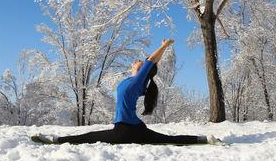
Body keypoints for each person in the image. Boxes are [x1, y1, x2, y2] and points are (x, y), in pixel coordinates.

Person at [31, 39, 221, 146]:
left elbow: (151, 61)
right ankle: (203, 139)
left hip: (125, 131)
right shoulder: (132, 81)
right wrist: (137, 69)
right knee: (167, 140)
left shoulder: (139, 81)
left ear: (143, 70)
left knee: (88, 137)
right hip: (135, 129)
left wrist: (163, 46)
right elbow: (146, 64)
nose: (137, 60)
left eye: (140, 61)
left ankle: (54, 140)